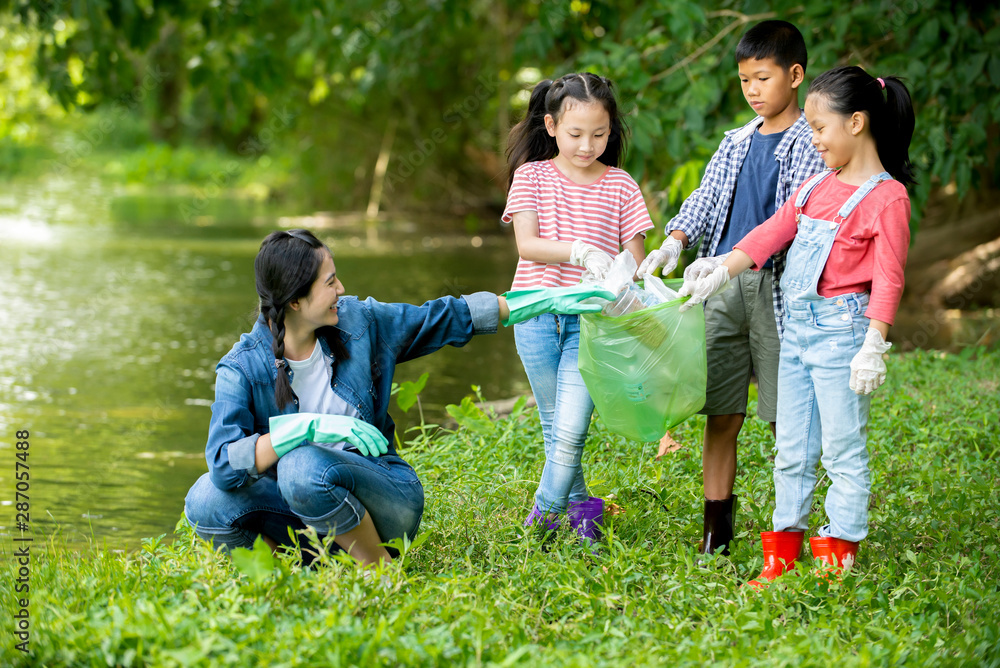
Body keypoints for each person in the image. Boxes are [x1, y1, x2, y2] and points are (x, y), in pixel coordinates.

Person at [183, 229, 613, 568]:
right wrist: (305, 428)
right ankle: (293, 577)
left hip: (386, 502)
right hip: (303, 514)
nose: (341, 287)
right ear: (295, 300)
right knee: (204, 500)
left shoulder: (359, 321)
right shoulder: (241, 367)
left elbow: (444, 316)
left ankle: (377, 568)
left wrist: (542, 301)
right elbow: (223, 464)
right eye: (330, 282)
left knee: (301, 466)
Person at [679, 65, 915, 585]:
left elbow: (889, 278)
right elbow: (767, 235)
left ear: (856, 123)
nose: (813, 139)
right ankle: (780, 559)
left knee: (842, 449)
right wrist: (718, 268)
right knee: (792, 449)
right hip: (798, 335)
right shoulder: (814, 188)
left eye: (818, 128)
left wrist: (874, 343)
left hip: (843, 334)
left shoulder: (887, 197)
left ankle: (838, 558)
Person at [638, 20, 825, 558]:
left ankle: (791, 530)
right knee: (721, 412)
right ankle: (715, 532)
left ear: (795, 76)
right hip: (718, 285)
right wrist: (674, 241)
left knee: (785, 413)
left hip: (776, 289)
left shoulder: (809, 144)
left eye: (762, 78)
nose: (752, 90)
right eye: (744, 80)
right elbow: (704, 198)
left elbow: (796, 221)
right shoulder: (736, 142)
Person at [503, 72, 654, 545]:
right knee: (557, 430)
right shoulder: (531, 176)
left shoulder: (621, 185)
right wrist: (579, 251)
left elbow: (636, 259)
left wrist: (634, 274)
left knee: (570, 431)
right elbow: (527, 245)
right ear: (550, 126)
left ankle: (539, 527)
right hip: (534, 314)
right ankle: (587, 519)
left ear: (612, 130)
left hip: (592, 323)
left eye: (599, 134)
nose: (588, 145)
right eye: (575, 134)